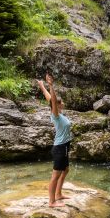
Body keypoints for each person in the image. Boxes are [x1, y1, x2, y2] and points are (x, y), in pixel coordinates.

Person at [37, 74, 71, 208]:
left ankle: (58, 194)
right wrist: (51, 85)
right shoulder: (56, 115)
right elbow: (52, 100)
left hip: (65, 145)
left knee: (66, 169)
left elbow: (49, 98)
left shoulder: (60, 114)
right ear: (57, 105)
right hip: (60, 147)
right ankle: (51, 202)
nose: (62, 103)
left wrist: (41, 86)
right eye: (60, 102)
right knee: (56, 174)